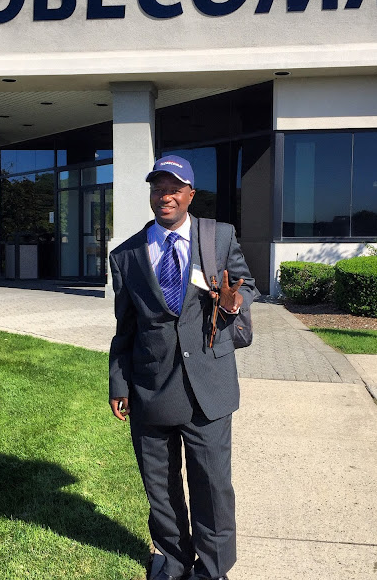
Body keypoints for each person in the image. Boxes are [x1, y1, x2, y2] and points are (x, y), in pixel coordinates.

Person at [108, 154, 256, 580]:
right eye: (158, 188)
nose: (165, 196)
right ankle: (173, 562)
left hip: (209, 385)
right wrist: (119, 383)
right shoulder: (126, 255)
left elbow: (246, 286)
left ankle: (212, 569)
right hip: (151, 386)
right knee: (161, 487)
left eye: (174, 188)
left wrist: (234, 302)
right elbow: (125, 326)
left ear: (190, 194)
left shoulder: (218, 236)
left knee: (212, 485)